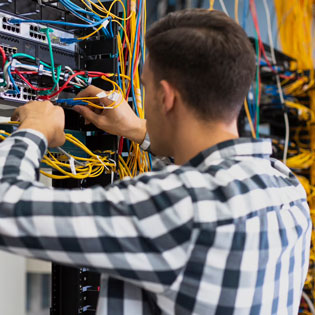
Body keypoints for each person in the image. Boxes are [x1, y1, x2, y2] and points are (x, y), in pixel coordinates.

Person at [0, 9, 311, 315]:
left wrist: (33, 131)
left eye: (145, 87)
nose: (142, 96)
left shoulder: (179, 207)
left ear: (166, 97)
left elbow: (6, 209)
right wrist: (135, 128)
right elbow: (209, 169)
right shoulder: (286, 188)